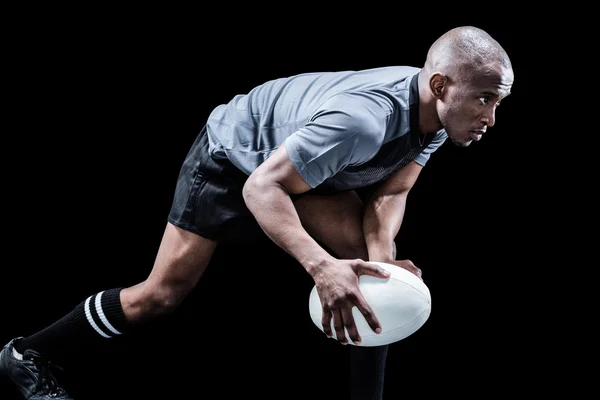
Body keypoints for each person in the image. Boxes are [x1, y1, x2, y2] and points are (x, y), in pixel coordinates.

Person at [0, 25, 513, 399]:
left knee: (368, 272)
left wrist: (382, 260)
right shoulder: (363, 121)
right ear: (441, 86)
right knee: (159, 297)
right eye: (485, 100)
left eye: (499, 102)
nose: (491, 117)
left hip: (309, 168)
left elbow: (392, 193)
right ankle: (28, 352)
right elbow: (261, 188)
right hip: (236, 160)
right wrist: (320, 267)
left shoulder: (441, 117)